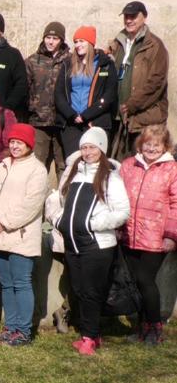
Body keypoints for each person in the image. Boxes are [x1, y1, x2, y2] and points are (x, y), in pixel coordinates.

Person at [46, 127, 129, 355]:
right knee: (81, 289)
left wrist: (93, 224)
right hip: (73, 243)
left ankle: (89, 337)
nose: (87, 151)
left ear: (101, 149)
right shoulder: (75, 173)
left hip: (98, 244)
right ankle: (92, 333)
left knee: (92, 291)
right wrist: (59, 221)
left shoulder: (110, 177)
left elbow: (122, 211)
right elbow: (60, 203)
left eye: (92, 147)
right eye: (84, 147)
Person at [0, 123, 47, 346]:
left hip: (20, 236)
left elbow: (32, 204)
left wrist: (4, 222)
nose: (15, 146)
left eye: (20, 142)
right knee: (6, 283)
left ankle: (23, 331)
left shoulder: (37, 169)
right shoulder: (2, 166)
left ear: (29, 144)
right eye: (12, 142)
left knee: (21, 282)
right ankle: (10, 327)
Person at [119, 124, 177, 345]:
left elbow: (176, 203)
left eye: (157, 145)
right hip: (129, 233)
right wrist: (117, 226)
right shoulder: (128, 165)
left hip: (156, 235)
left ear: (165, 147)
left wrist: (171, 235)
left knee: (145, 280)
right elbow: (118, 197)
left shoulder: (171, 170)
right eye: (148, 144)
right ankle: (141, 327)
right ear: (140, 145)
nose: (151, 149)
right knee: (136, 282)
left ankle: (155, 327)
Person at [108, 1, 169, 159]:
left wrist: (132, 105)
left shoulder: (154, 46)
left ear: (144, 17)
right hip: (120, 118)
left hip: (144, 119)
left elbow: (156, 82)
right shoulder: (118, 43)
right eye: (126, 16)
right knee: (121, 168)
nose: (129, 20)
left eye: (133, 16)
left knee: (144, 165)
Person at [54, 26, 118, 157]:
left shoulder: (105, 64)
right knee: (74, 162)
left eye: (82, 41)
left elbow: (109, 94)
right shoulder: (68, 64)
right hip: (72, 124)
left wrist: (87, 115)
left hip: (95, 122)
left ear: (90, 43)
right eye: (76, 41)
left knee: (94, 163)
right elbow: (59, 93)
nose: (78, 45)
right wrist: (71, 114)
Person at [25, 22, 69, 176]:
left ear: (61, 40)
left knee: (64, 165)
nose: (50, 42)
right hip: (38, 121)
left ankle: (64, 198)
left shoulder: (70, 60)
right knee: (36, 164)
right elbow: (25, 88)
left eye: (55, 38)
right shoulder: (32, 61)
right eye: (48, 37)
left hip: (62, 121)